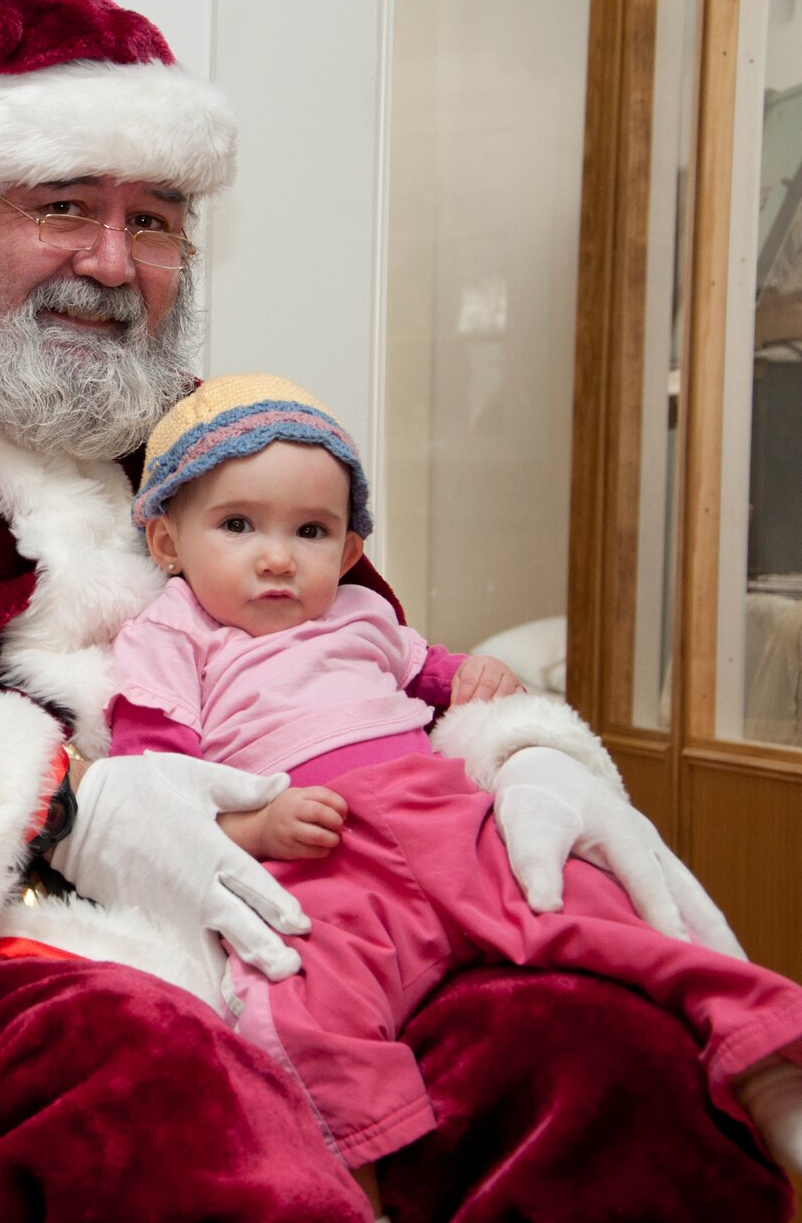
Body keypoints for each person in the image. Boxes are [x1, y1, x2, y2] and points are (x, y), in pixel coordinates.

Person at [0, 0, 794, 1221]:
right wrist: (63, 807)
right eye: (59, 204)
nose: (110, 262)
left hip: (297, 928)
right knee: (166, 1107)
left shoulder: (198, 432)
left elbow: (351, 641)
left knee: (606, 1057)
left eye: (151, 218)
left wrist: (516, 755)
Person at [95, 372, 802, 1212]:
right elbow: (160, 783)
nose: (277, 556)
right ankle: (348, 1176)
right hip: (324, 860)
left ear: (350, 553)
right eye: (238, 526)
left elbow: (441, 676)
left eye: (311, 531)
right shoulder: (171, 634)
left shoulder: (360, 614)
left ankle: (764, 1062)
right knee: (291, 1006)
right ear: (168, 543)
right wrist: (255, 825)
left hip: (448, 822)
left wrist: (486, 677)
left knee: (612, 909)